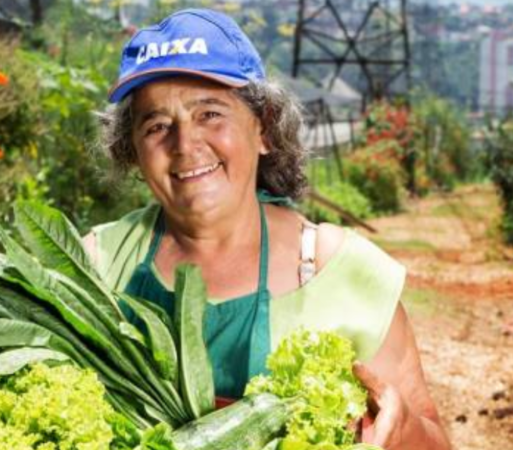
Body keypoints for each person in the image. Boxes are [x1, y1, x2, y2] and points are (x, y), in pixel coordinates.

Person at [83, 8, 451, 450]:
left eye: (210, 114)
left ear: (264, 128)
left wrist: (401, 429)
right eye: (157, 126)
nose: (185, 145)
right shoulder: (95, 264)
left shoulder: (341, 271)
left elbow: (434, 440)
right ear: (133, 153)